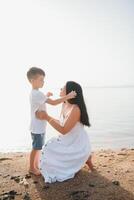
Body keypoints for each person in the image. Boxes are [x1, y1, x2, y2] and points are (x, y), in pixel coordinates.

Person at [36, 81, 93, 183]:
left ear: (69, 92)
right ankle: (85, 159)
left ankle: (85, 157)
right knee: (48, 148)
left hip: (76, 142)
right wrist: (46, 117)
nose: (60, 89)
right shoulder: (65, 104)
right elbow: (62, 123)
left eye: (62, 88)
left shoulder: (75, 109)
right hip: (67, 139)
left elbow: (64, 130)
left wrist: (47, 117)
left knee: (48, 149)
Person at [26, 68, 76, 175]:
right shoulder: (36, 94)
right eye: (41, 79)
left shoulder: (36, 93)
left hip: (39, 126)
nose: (43, 82)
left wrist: (46, 96)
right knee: (36, 147)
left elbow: (41, 101)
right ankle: (32, 167)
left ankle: (35, 165)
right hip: (37, 127)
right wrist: (67, 96)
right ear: (32, 80)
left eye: (43, 80)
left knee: (38, 147)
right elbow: (53, 103)